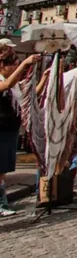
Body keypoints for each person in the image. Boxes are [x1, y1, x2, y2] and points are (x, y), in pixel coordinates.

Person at [0, 50, 41, 216]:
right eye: (14, 65)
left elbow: (28, 96)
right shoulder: (5, 81)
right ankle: (1, 204)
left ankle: (2, 204)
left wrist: (45, 77)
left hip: (9, 130)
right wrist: (25, 64)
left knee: (2, 169)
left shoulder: (15, 83)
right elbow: (7, 85)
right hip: (0, 129)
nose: (16, 69)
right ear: (3, 66)